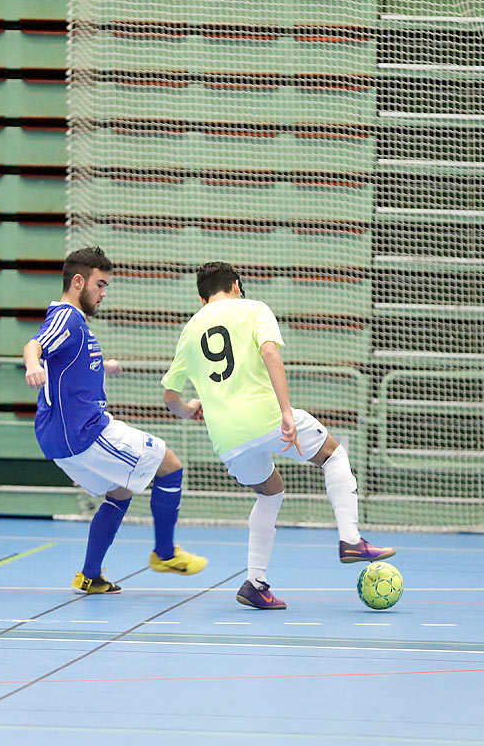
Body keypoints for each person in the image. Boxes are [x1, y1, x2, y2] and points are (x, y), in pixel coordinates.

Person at [161, 262, 393, 610]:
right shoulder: (255, 308)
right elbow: (270, 352)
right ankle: (351, 538)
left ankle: (255, 583)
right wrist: (286, 411)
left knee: (270, 494)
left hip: (227, 439)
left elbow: (169, 398)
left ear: (201, 297)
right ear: (237, 285)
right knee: (333, 454)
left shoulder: (189, 330)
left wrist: (191, 406)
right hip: (266, 418)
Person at [24, 246, 207, 593]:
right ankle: (165, 553)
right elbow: (34, 345)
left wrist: (101, 366)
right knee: (170, 464)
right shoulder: (66, 316)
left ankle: (90, 576)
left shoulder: (76, 324)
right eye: (101, 285)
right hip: (83, 432)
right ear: (78, 282)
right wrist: (33, 364)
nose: (104, 294)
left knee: (120, 493)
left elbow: (67, 364)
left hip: (58, 438)